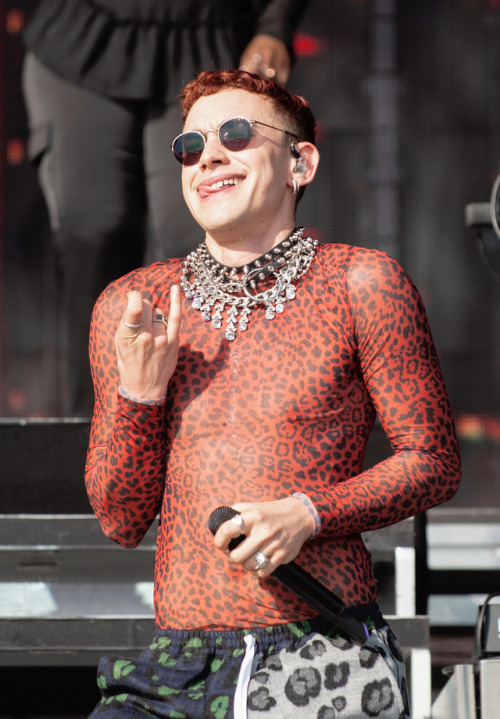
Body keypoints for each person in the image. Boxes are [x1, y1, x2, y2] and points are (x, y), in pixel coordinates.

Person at [85, 69, 461, 718]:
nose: (209, 156)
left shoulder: (364, 282)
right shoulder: (133, 303)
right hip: (174, 668)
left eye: (236, 133)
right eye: (190, 145)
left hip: (323, 654)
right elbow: (119, 518)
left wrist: (308, 514)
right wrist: (138, 395)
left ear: (300, 162)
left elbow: (434, 461)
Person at [22, 0, 311, 416]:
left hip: (213, 37)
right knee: (95, 230)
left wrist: (275, 26)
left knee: (201, 238)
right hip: (83, 40)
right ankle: (96, 436)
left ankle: (216, 435)